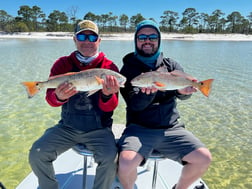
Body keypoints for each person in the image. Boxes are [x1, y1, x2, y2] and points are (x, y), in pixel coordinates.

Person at [117, 20, 212, 189]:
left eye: (152, 36)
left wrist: (183, 92)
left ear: (159, 40)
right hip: (139, 129)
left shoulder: (172, 65)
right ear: (136, 40)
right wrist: (149, 94)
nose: (147, 40)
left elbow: (182, 93)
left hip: (171, 128)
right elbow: (134, 106)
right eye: (142, 37)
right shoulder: (127, 71)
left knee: (204, 158)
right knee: (125, 163)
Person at [29, 20, 120, 189]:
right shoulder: (62, 64)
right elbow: (50, 100)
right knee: (37, 153)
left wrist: (107, 95)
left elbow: (111, 107)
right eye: (82, 36)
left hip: (99, 129)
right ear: (74, 39)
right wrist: (58, 96)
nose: (87, 41)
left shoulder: (109, 68)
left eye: (92, 36)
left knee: (111, 158)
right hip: (67, 127)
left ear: (99, 40)